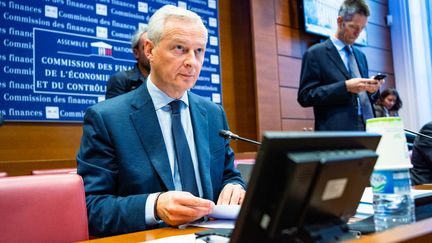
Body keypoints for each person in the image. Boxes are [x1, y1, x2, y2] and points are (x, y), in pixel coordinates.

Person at [77, 5, 246, 237]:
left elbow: (229, 174)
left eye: (199, 51)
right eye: (180, 48)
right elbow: (92, 208)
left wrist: (235, 187)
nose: (192, 62)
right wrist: (154, 206)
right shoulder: (107, 118)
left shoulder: (213, 113)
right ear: (150, 50)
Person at [297, 0, 385, 131]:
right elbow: (305, 96)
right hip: (336, 132)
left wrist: (372, 90)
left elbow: (363, 97)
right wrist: (345, 87)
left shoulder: (361, 56)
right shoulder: (315, 53)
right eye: (354, 27)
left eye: (362, 28)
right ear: (340, 21)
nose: (358, 33)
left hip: (368, 127)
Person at [105, 27, 150, 99]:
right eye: (148, 48)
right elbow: (113, 109)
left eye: (155, 48)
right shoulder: (121, 80)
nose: (152, 53)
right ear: (136, 53)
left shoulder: (166, 81)